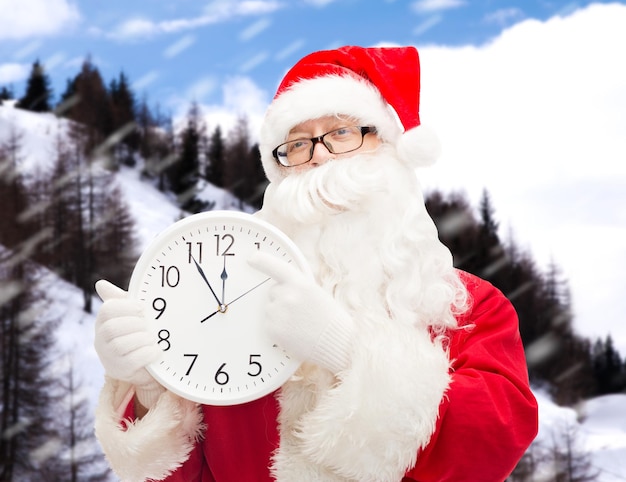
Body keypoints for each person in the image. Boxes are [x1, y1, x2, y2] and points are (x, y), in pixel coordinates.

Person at [94, 45, 538, 482]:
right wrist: (150, 387)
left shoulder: (471, 308)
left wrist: (344, 351)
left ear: (389, 146)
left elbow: (489, 446)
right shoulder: (227, 308)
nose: (320, 155)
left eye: (342, 133)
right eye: (299, 144)